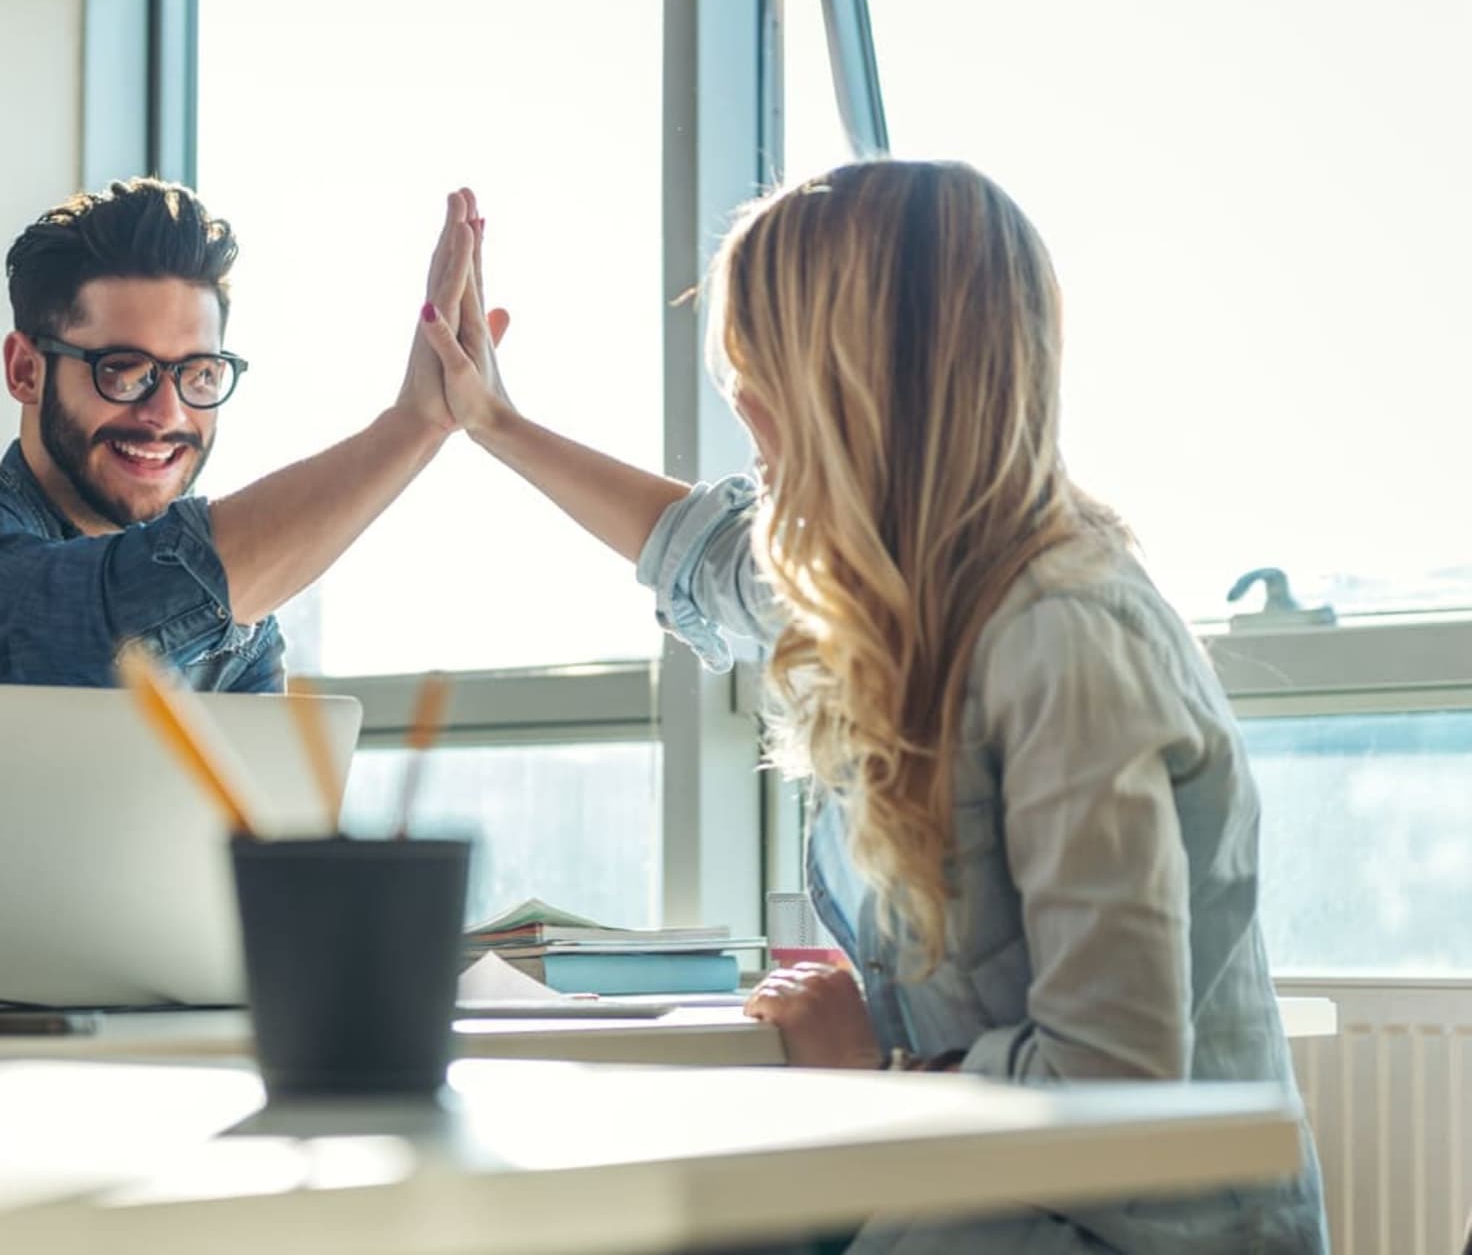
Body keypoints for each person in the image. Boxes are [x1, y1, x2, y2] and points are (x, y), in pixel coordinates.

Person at [417, 160, 1328, 1252]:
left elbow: (1110, 1084)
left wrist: (875, 1067)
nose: (744, 414)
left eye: (760, 376)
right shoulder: (908, 592)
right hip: (983, 1194)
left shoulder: (1065, 640)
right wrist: (494, 423)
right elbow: (704, 553)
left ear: (848, 399)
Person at [0, 179, 498, 938]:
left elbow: (245, 901)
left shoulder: (241, 636)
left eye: (198, 374)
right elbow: (92, 635)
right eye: (123, 369)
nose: (166, 415)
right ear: (25, 370)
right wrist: (411, 427)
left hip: (108, 1010)